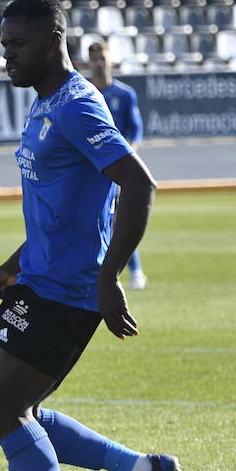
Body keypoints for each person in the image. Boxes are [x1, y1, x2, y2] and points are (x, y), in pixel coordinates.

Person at [0, 0, 179, 471]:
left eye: (17, 45)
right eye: (4, 43)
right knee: (20, 410)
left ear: (52, 42)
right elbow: (59, 201)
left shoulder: (75, 108)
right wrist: (13, 261)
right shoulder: (43, 104)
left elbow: (138, 185)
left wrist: (109, 277)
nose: (6, 55)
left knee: (3, 410)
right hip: (36, 281)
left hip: (67, 291)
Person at [86, 40, 147, 290]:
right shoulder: (85, 94)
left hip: (117, 169)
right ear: (88, 63)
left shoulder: (124, 94)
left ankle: (134, 272)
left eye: (102, 58)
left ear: (110, 60)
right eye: (94, 59)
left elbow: (136, 129)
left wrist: (127, 157)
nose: (99, 63)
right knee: (93, 222)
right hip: (91, 170)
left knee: (119, 222)